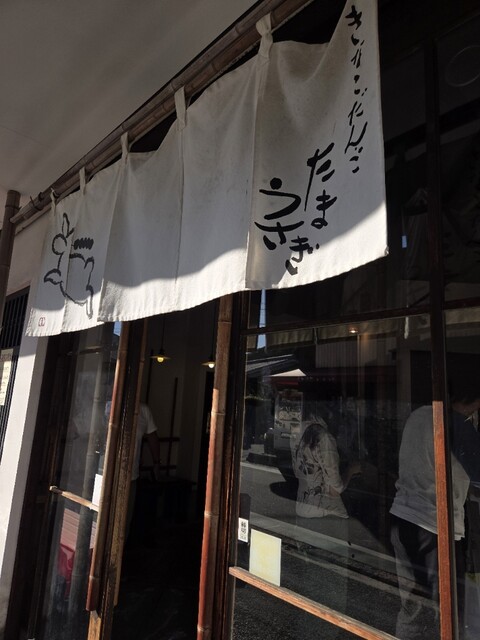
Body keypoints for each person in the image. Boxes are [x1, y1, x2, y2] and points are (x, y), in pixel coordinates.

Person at [390, 380, 480, 640]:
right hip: (434, 526)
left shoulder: (418, 415)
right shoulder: (458, 425)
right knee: (447, 612)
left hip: (403, 516)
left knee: (413, 605)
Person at [293, 418, 361, 519]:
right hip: (326, 514)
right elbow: (335, 489)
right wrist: (351, 470)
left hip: (301, 509)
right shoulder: (323, 437)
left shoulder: (297, 433)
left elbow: (297, 473)